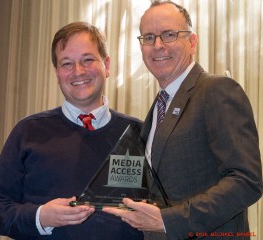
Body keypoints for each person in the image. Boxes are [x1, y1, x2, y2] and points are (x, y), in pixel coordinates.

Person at [103, 1, 263, 239]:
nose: (158, 45)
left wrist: (168, 221)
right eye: (148, 37)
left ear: (192, 42)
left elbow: (246, 181)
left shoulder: (216, 91)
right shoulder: (157, 109)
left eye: (169, 35)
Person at [0, 22, 143, 240]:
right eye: (66, 64)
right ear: (57, 73)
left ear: (106, 65)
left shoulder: (139, 133)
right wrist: (41, 217)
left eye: (88, 60)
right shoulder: (28, 132)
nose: (78, 71)